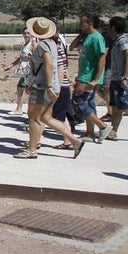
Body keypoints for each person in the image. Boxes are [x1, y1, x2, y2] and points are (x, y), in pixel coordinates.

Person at [16, 17, 86, 159]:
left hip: (43, 87)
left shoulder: (42, 46)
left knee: (34, 118)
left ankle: (32, 150)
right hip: (49, 85)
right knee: (46, 118)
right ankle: (75, 141)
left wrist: (48, 86)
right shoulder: (53, 44)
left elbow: (48, 65)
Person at [69, 13, 110, 143]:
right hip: (84, 75)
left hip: (88, 77)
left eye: (83, 24)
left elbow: (102, 58)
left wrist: (95, 79)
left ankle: (102, 126)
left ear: (90, 24)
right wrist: (81, 35)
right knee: (88, 104)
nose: (81, 26)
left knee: (78, 102)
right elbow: (72, 46)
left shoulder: (97, 38)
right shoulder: (88, 37)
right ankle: (90, 133)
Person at [2, 29, 37, 114]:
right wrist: (11, 65)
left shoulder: (33, 43)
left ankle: (30, 111)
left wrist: (27, 57)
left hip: (30, 70)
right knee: (21, 88)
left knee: (28, 90)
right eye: (24, 33)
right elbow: (20, 58)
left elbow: (37, 57)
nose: (26, 34)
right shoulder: (24, 44)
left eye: (28, 33)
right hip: (24, 70)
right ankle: (20, 109)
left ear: (32, 35)